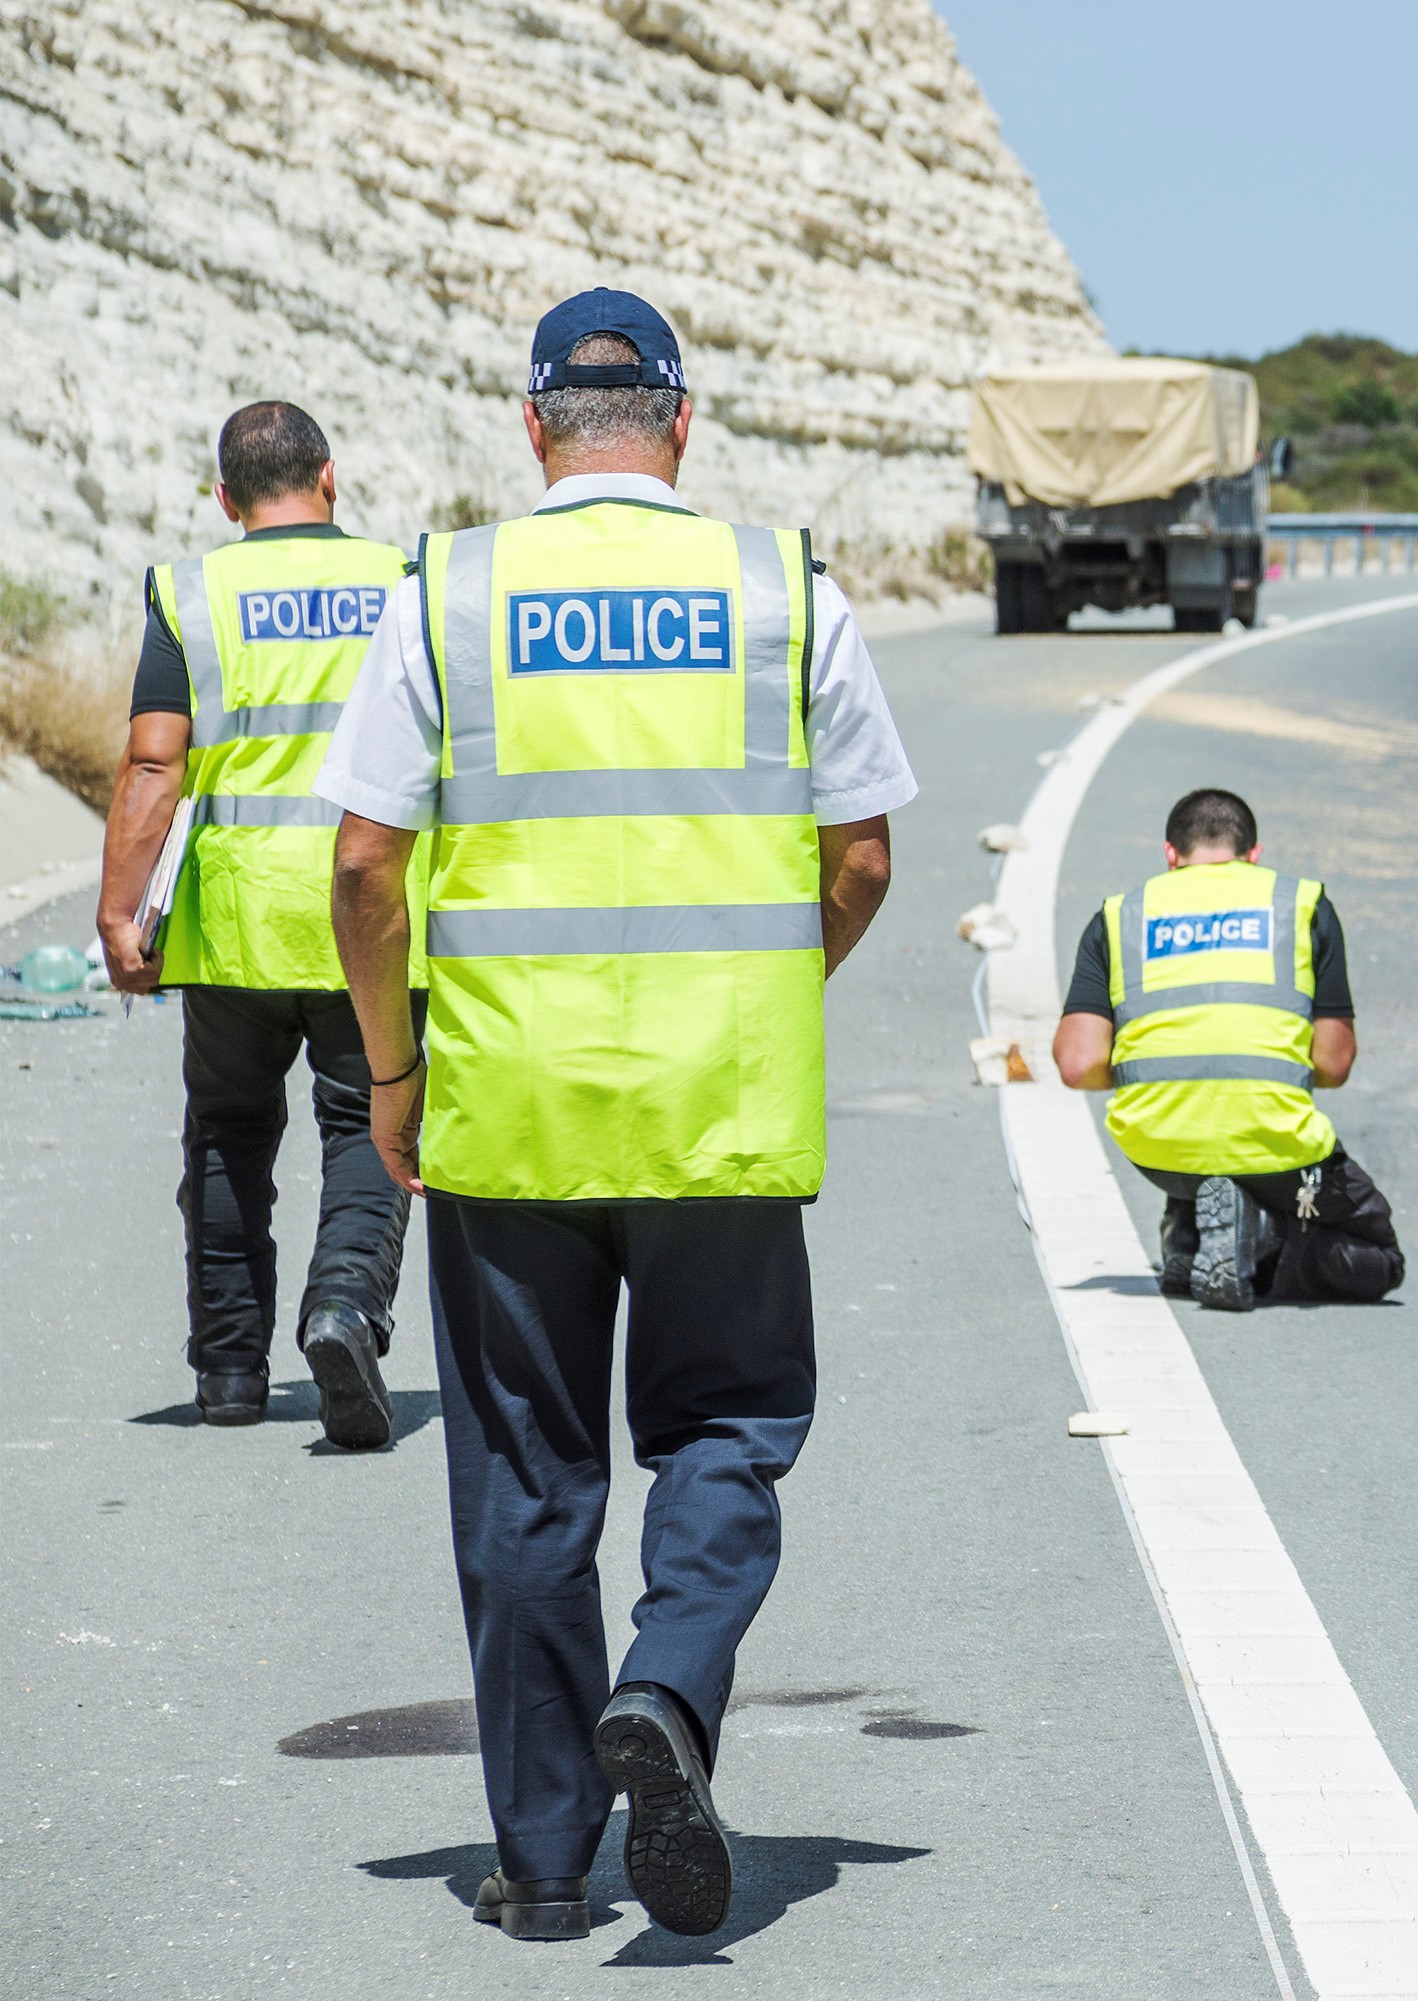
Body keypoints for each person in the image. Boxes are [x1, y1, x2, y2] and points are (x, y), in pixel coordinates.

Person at [319, 288, 915, 1945]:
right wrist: (765, 993)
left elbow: (364, 864)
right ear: (680, 421)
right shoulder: (780, 587)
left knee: (524, 1471)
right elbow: (860, 857)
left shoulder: (448, 591)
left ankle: (537, 1864)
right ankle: (665, 1684)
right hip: (720, 1104)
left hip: (507, 1108)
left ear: (532, 426)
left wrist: (392, 1075)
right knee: (725, 1425)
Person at [96, 401, 426, 1445]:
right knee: (371, 1120)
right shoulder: (402, 583)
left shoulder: (192, 593)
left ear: (226, 499)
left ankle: (230, 1378)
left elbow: (156, 762)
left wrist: (118, 910)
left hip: (235, 923)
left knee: (229, 1142)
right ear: (330, 479)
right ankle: (343, 1311)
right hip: (371, 910)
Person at [1052, 787, 1404, 1312]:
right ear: (1254, 855)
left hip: (1161, 1151)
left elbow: (1079, 1065)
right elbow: (1333, 1063)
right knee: (1379, 1257)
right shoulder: (1302, 904)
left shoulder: (1120, 914)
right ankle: (1261, 1232)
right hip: (1274, 1149)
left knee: (1204, 1143)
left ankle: (1193, 1232)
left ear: (1170, 855)